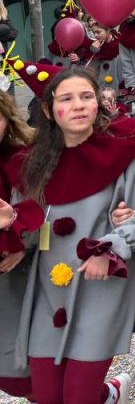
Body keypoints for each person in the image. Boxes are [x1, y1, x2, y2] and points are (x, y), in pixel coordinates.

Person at [11, 63, 135, 404]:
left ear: (98, 103)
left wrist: (112, 247)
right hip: (48, 291)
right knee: (46, 396)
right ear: (48, 110)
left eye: (86, 96)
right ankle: (109, 396)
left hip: (99, 288)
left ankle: (105, 393)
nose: (78, 105)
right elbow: (28, 225)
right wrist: (13, 235)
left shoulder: (125, 153)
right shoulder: (33, 164)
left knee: (78, 395)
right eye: (67, 98)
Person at [0, 89, 42, 401]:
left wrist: (19, 236)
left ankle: (104, 394)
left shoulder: (21, 159)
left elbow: (45, 211)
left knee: (20, 370)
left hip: (14, 274)